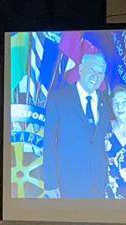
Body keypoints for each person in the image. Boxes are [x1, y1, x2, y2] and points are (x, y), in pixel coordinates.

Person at [42, 52, 110, 199]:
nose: (95, 76)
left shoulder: (106, 101)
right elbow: (49, 143)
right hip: (67, 184)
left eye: (100, 73)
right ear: (80, 69)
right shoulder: (58, 99)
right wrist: (50, 183)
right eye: (92, 70)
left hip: (100, 186)